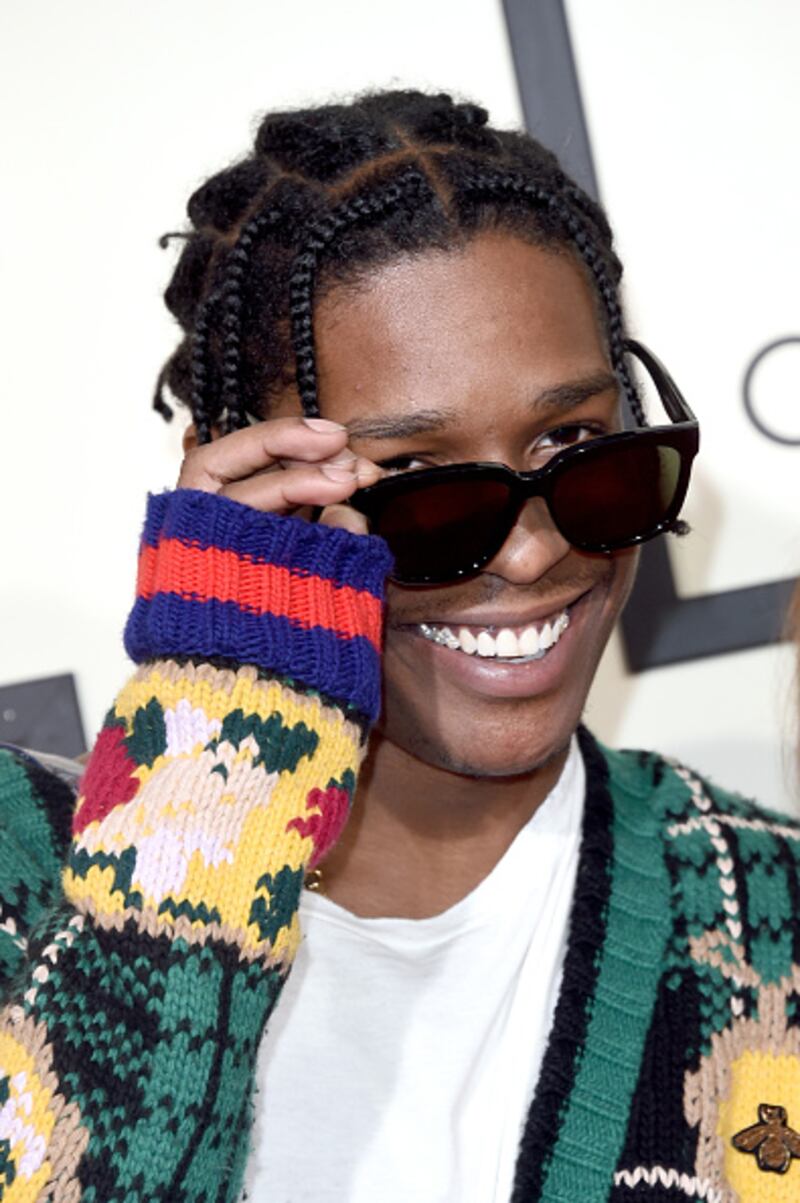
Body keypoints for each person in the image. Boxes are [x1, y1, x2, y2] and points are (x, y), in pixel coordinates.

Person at [1, 90, 798, 1203]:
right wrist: (214, 768)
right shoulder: (21, 873)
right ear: (239, 481)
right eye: (417, 486)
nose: (530, 553)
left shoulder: (764, 910)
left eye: (576, 444)